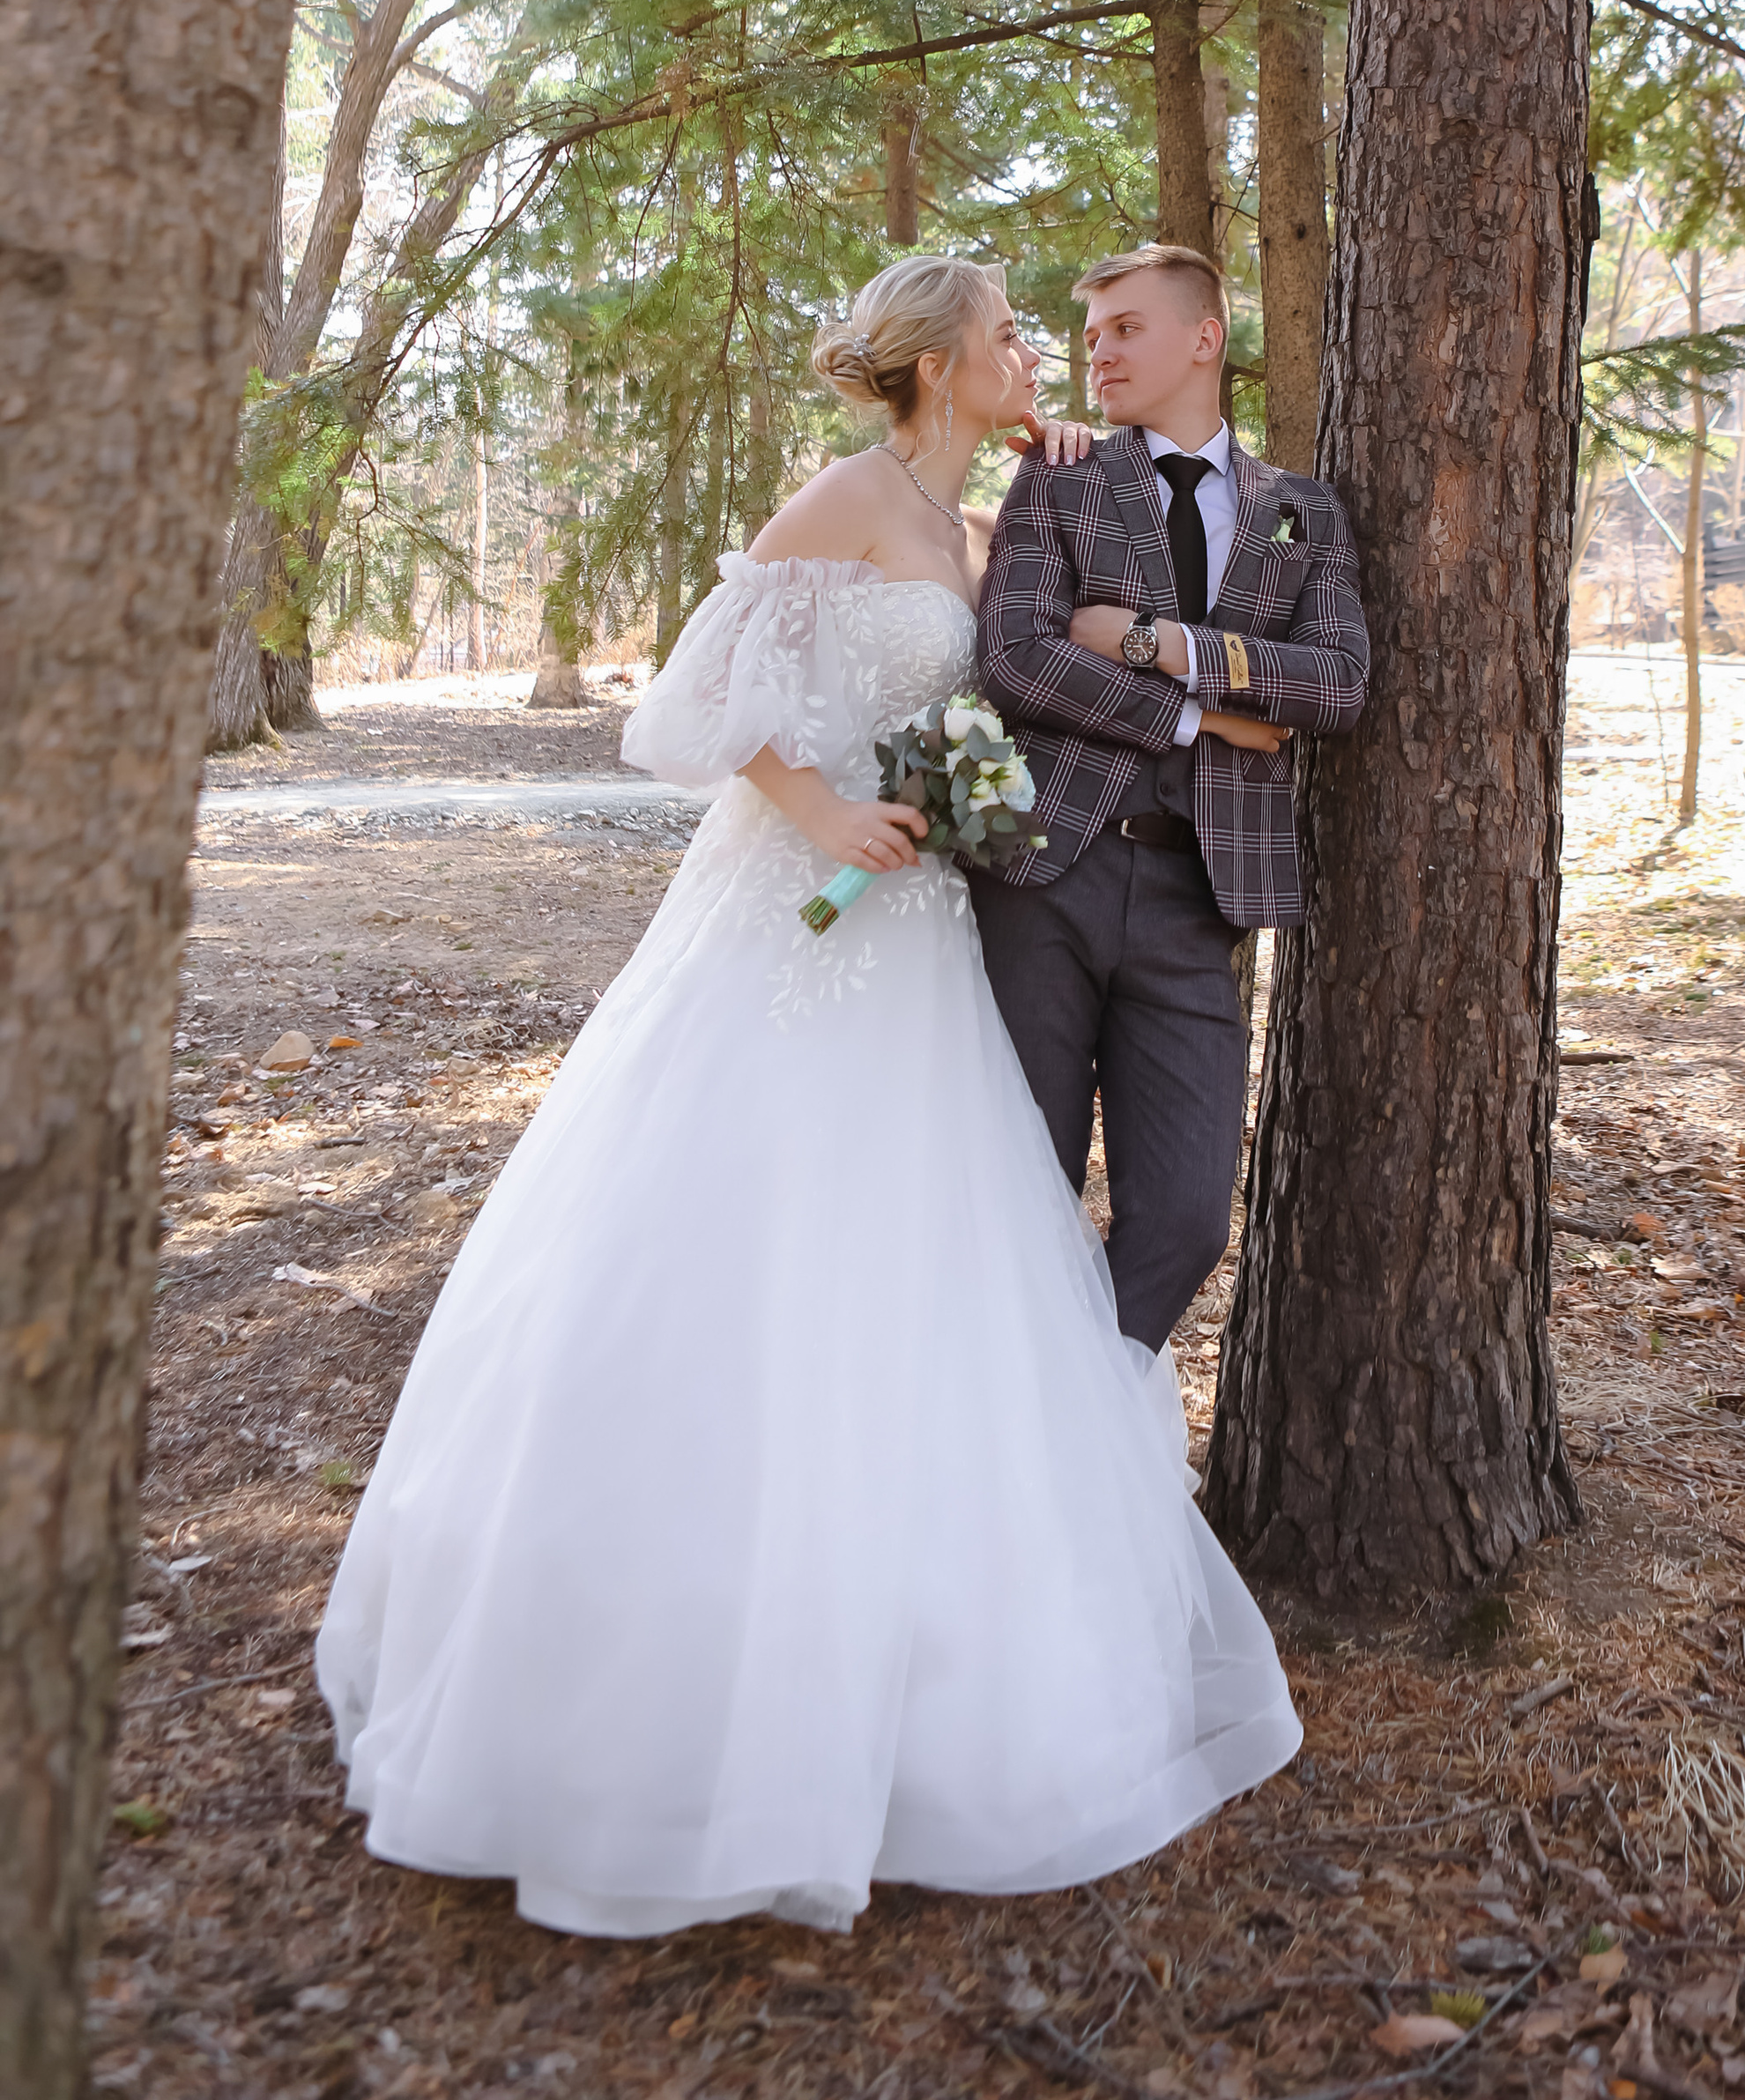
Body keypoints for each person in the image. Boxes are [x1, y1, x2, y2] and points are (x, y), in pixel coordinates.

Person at [316, 255, 1301, 1943]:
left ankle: (922, 1640)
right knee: (748, 1239)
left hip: (928, 932)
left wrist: (1168, 662)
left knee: (929, 1263)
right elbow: (698, 702)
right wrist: (827, 809)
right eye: (1007, 336)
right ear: (934, 360)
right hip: (803, 906)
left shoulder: (986, 522)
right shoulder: (847, 496)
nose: (1032, 357)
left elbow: (1023, 670)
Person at [968, 245, 1370, 1353]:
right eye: (1090, 332)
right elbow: (1018, 658)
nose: (1098, 350)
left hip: (1203, 895)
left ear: (1206, 338)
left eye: (1125, 328)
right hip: (1042, 874)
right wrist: (1200, 715)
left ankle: (1075, 1403)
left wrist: (1159, 643)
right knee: (1020, 1186)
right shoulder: (1058, 475)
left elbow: (1335, 684)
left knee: (1188, 1218)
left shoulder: (1302, 511)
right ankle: (1014, 1436)